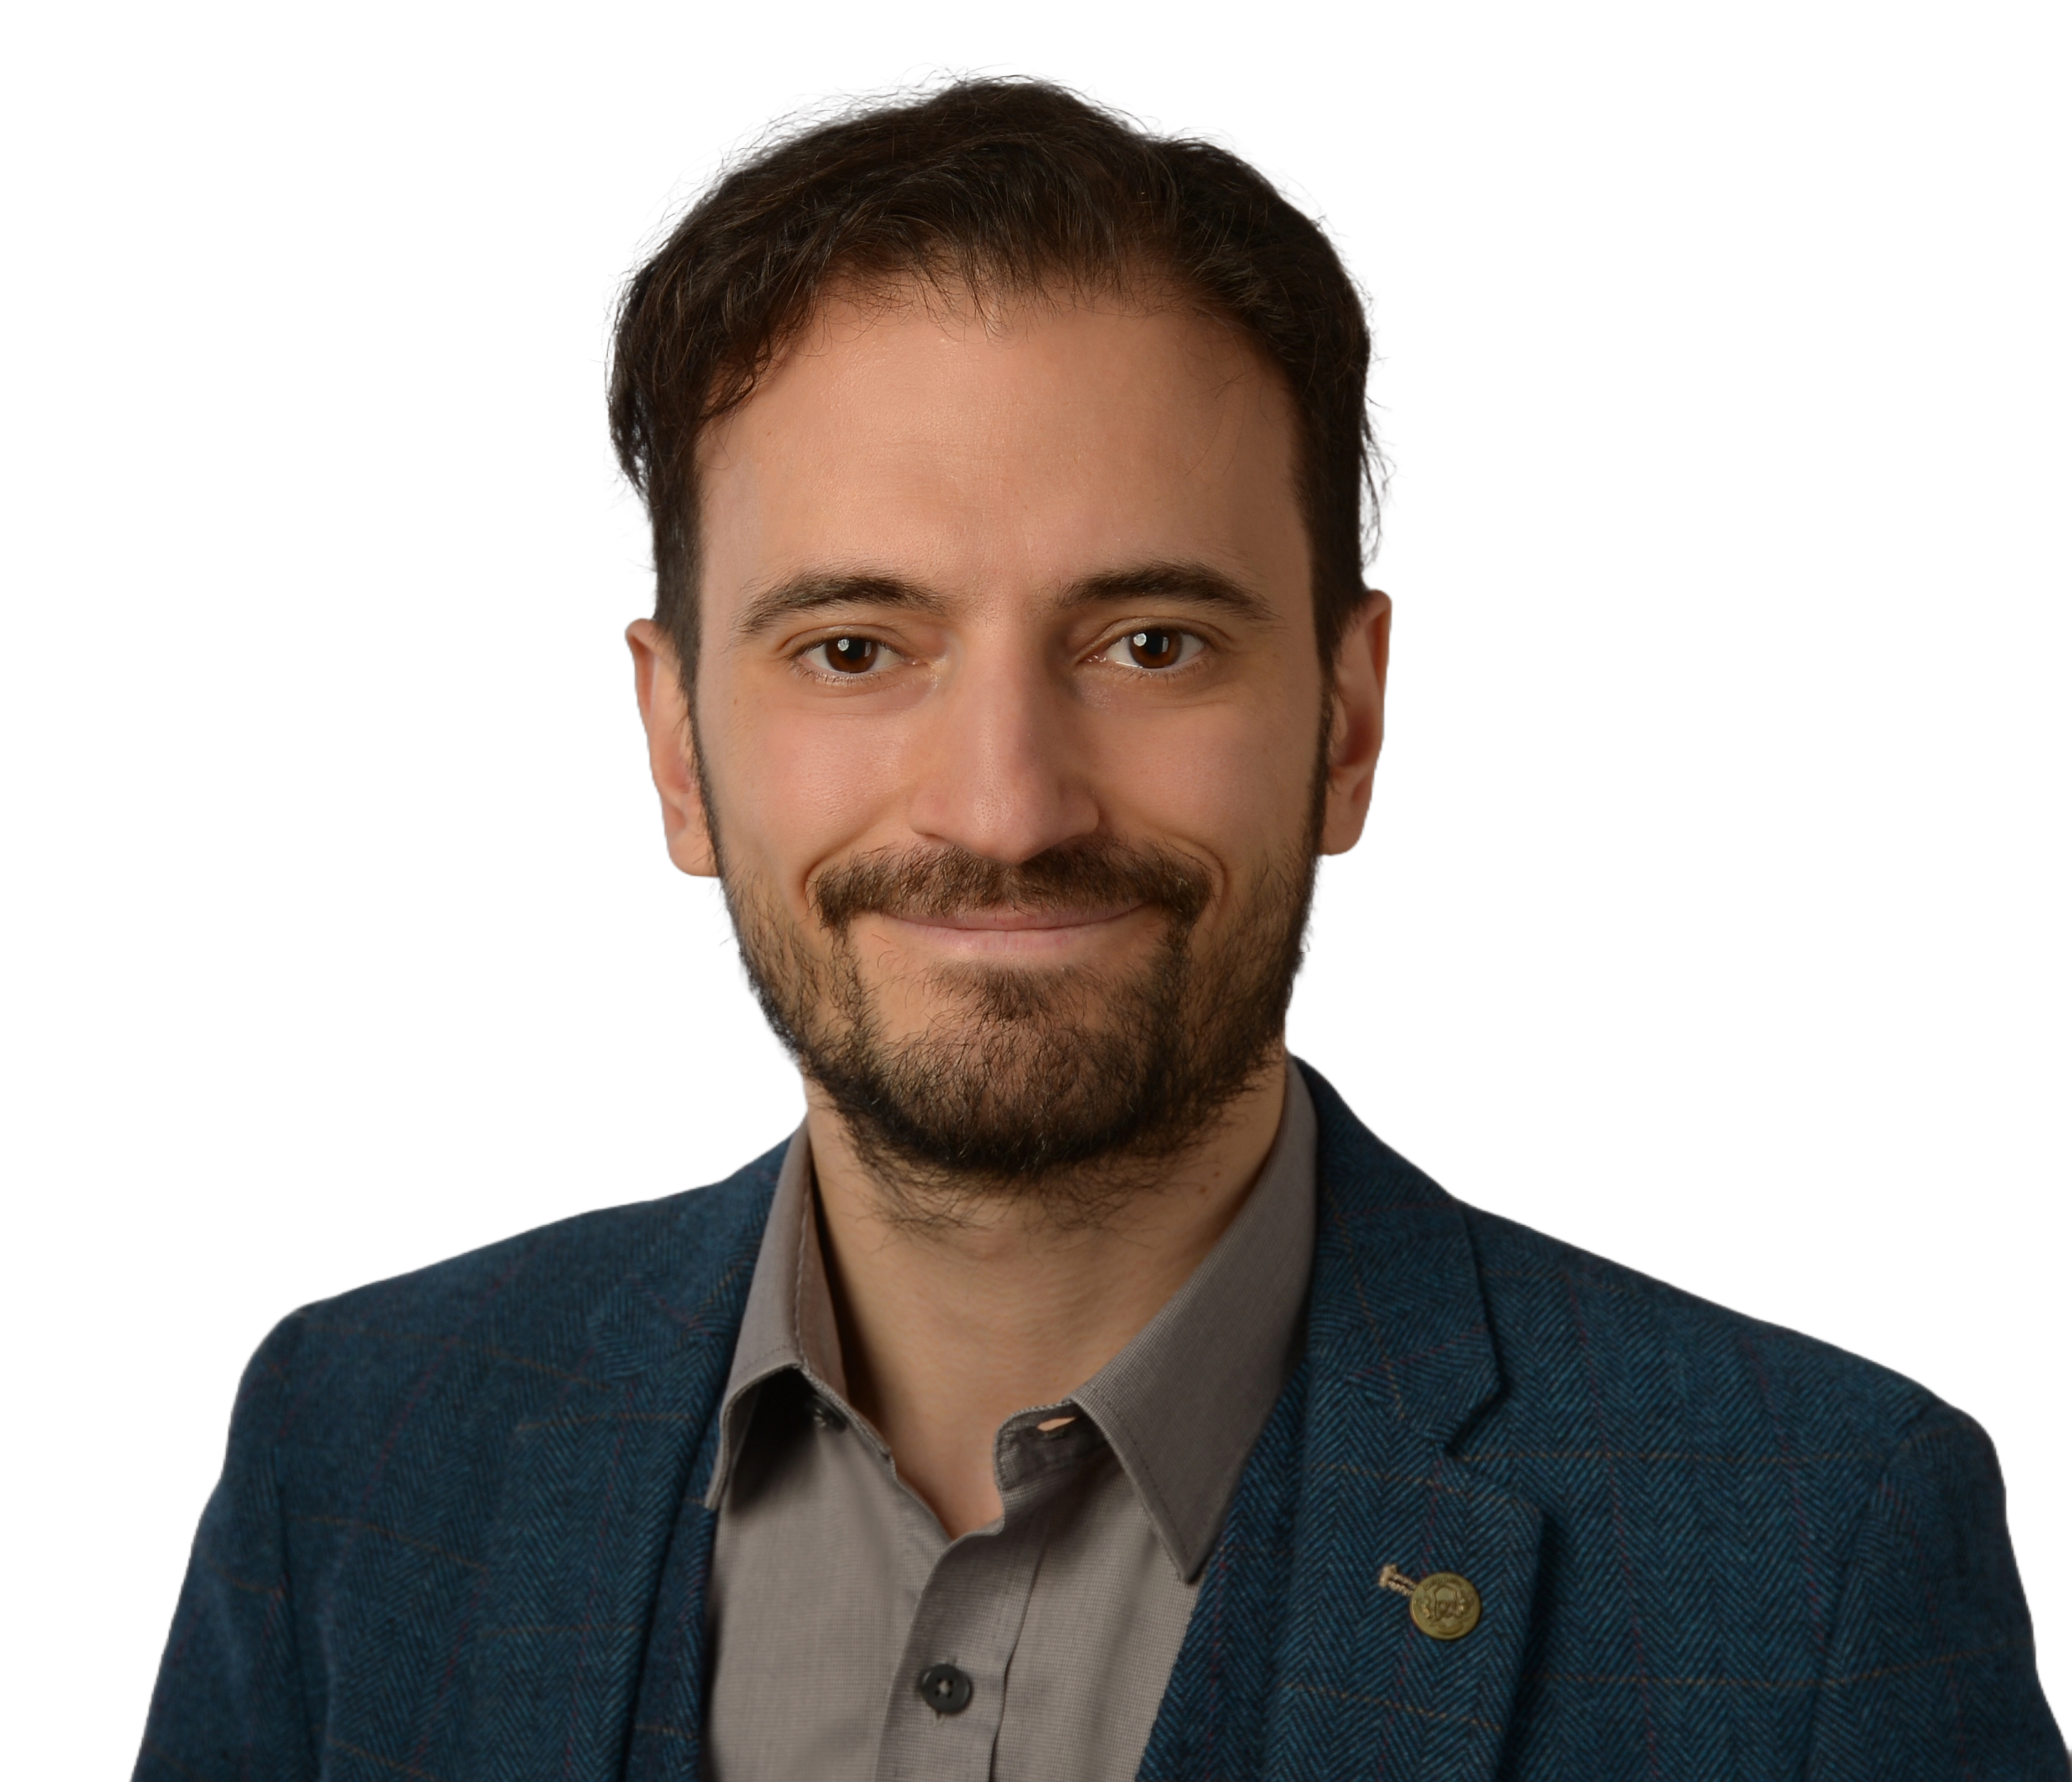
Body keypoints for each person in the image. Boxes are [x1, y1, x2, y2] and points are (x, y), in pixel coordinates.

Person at [133, 60, 2062, 1780]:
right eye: (856, 646)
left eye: (1151, 643)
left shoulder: (1818, 1555)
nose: (1006, 809)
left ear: (1351, 720)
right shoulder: (355, 1453)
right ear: (676, 745)